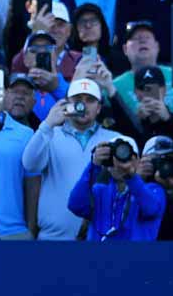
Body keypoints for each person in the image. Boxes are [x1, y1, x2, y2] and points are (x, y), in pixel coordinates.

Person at [23, 78, 119, 240]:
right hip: (53, 237)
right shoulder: (50, 134)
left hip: (99, 237)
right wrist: (47, 124)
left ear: (99, 108)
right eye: (77, 100)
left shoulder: (114, 140)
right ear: (67, 104)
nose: (83, 105)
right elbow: (29, 164)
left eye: (90, 100)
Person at [69, 132, 163, 240]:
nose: (117, 165)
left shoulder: (153, 190)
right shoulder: (99, 191)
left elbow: (151, 210)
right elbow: (75, 206)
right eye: (111, 160)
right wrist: (94, 165)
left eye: (124, 158)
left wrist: (131, 176)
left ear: (137, 160)